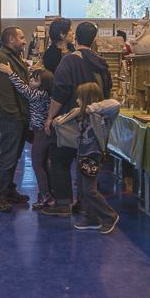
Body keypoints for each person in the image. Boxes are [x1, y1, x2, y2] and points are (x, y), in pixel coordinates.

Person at [42, 21, 112, 218]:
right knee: (86, 162)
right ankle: (84, 203)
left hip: (69, 122)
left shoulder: (69, 61)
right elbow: (107, 92)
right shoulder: (102, 64)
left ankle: (63, 204)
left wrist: (50, 117)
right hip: (93, 123)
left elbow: (60, 91)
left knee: (59, 160)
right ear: (94, 39)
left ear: (75, 37)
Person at [51, 81, 120, 234]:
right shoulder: (80, 112)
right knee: (82, 189)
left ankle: (109, 216)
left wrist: (92, 108)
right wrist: (58, 121)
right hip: (82, 154)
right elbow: (67, 117)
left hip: (93, 155)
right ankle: (91, 218)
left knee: (89, 190)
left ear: (88, 99)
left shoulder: (100, 114)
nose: (77, 101)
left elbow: (115, 104)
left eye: (80, 98)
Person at [0, 62, 54, 208]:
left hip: (41, 132)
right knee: (45, 162)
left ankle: (44, 194)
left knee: (36, 164)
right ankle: (51, 192)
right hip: (45, 132)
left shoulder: (38, 94)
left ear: (43, 84)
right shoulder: (46, 94)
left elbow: (23, 89)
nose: (30, 81)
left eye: (35, 80)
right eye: (31, 78)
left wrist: (10, 72)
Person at [0, 26, 31, 212]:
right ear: (12, 39)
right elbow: (6, 95)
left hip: (18, 115)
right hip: (9, 117)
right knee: (8, 155)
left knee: (14, 155)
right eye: (21, 38)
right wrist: (15, 118)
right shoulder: (2, 59)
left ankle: (8, 189)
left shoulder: (13, 56)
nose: (24, 41)